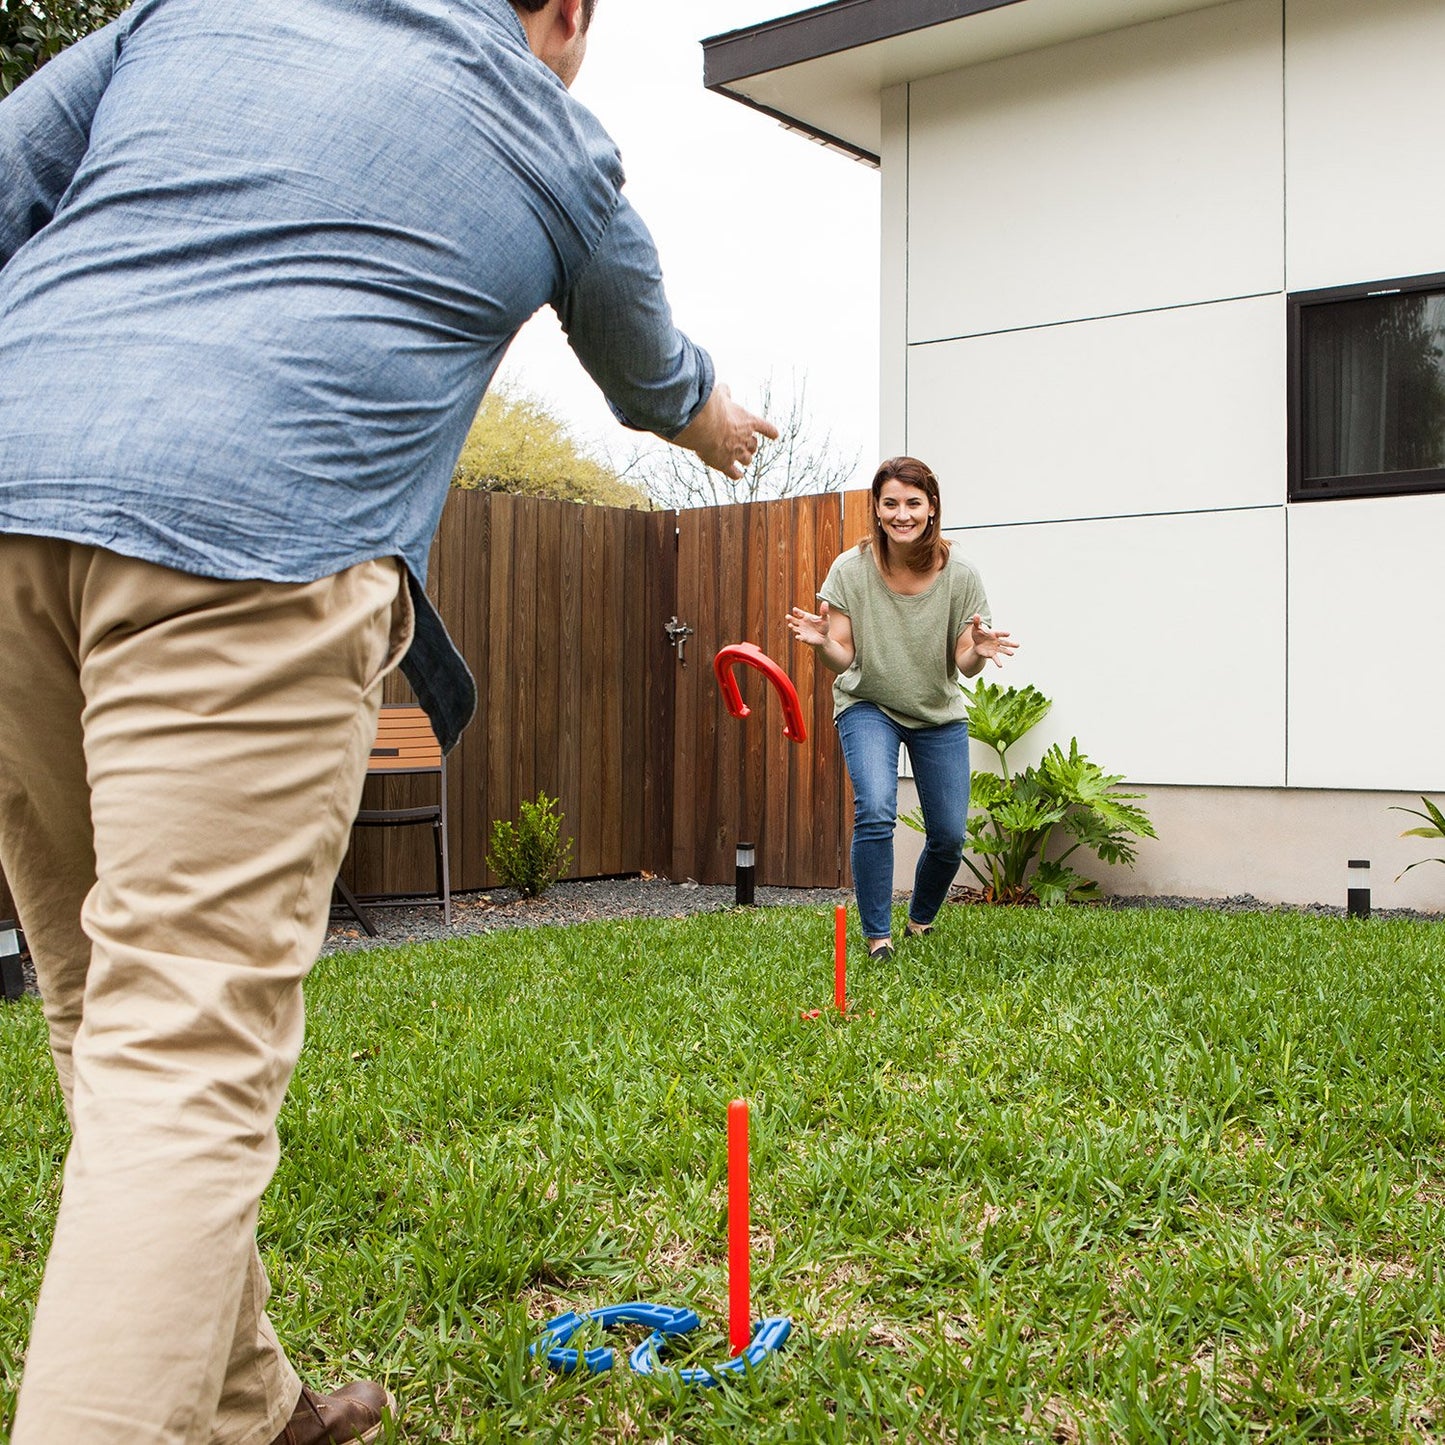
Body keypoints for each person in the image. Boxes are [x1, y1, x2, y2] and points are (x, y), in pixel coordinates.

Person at [0, 0, 778, 1440]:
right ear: (564, 15)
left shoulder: (197, 14)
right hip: (249, 536)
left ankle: (249, 1404)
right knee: (180, 1047)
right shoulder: (552, 137)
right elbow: (650, 367)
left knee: (107, 1002)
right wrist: (715, 421)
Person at [786, 456, 1018, 961]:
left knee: (950, 835)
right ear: (877, 508)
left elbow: (964, 660)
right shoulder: (851, 569)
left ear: (932, 509)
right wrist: (823, 642)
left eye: (913, 503)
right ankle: (878, 939)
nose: (901, 514)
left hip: (936, 712)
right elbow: (842, 656)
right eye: (890, 503)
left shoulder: (961, 576)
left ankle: (919, 921)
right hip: (868, 701)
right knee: (874, 809)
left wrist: (977, 650)